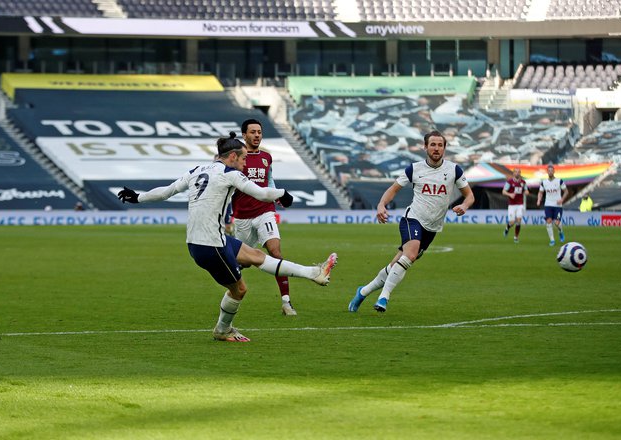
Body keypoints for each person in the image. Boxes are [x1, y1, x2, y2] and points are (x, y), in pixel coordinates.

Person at [117, 132, 337, 342]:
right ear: (232, 156)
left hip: (201, 240)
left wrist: (137, 197)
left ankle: (314, 273)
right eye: (243, 158)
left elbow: (167, 191)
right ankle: (222, 330)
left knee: (256, 256)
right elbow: (260, 193)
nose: (245, 164)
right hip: (211, 245)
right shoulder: (230, 173)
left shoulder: (197, 169)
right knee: (239, 290)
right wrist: (283, 194)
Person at [348, 130, 474, 313]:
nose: (436, 148)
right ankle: (384, 297)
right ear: (425, 147)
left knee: (397, 264)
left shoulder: (454, 170)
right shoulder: (414, 169)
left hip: (432, 228)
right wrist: (381, 205)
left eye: (440, 145)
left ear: (445, 148)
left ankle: (363, 291)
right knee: (411, 254)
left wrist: (465, 205)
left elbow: (469, 196)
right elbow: (394, 189)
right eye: (433, 144)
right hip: (412, 219)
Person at [231, 118, 298, 316]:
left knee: (276, 253)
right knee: (239, 263)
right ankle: (232, 295)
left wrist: (277, 196)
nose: (257, 135)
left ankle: (286, 302)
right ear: (244, 135)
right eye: (252, 132)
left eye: (259, 132)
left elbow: (269, 181)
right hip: (242, 217)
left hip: (265, 212)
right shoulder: (236, 158)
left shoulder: (266, 157)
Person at [536, 164, 569, 246]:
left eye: (552, 170)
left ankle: (560, 232)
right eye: (549, 170)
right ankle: (552, 240)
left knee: (557, 223)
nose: (550, 172)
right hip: (548, 205)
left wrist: (562, 199)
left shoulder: (559, 181)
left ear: (554, 171)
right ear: (547, 172)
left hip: (558, 205)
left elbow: (566, 191)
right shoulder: (544, 182)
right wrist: (539, 200)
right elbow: (540, 192)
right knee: (549, 221)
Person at [502, 167, 529, 243]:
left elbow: (527, 191)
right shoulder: (509, 182)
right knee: (512, 222)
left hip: (520, 204)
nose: (517, 173)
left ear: (520, 173)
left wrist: (526, 192)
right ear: (513, 173)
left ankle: (516, 237)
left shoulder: (523, 182)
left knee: (519, 220)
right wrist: (510, 194)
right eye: (516, 172)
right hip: (512, 205)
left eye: (518, 172)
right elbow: (503, 191)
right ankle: (507, 228)